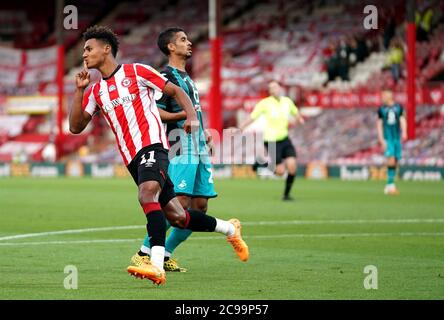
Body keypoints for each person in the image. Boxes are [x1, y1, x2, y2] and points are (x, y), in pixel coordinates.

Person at [69, 25, 249, 286]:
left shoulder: (137, 71)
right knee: (178, 216)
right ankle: (230, 229)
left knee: (146, 195)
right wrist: (79, 91)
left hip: (154, 147)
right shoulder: (96, 91)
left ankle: (154, 265)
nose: (84, 54)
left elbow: (175, 91)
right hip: (132, 159)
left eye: (89, 48)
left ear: (106, 49)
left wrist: (191, 117)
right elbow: (75, 127)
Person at [130, 27, 217, 273]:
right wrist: (183, 115)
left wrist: (204, 130)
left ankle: (166, 253)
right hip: (179, 144)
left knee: (199, 206)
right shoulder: (165, 76)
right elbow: (155, 110)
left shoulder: (187, 77)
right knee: (178, 201)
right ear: (170, 47)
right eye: (182, 40)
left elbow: (195, 112)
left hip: (197, 144)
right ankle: (144, 253)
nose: (189, 43)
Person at [237, 80, 304, 201]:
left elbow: (296, 112)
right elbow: (253, 117)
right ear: (269, 91)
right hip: (271, 141)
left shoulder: (287, 102)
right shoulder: (265, 103)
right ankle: (260, 163)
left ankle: (286, 195)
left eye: (276, 87)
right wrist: (242, 126)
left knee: (292, 167)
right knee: (280, 172)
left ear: (280, 88)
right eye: (271, 88)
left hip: (285, 139)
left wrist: (299, 119)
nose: (274, 90)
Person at [377, 89, 407, 195]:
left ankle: (389, 184)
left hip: (396, 138)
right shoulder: (381, 109)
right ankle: (390, 185)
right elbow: (379, 124)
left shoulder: (398, 107)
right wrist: (381, 139)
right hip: (387, 138)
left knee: (396, 160)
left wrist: (404, 132)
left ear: (388, 96)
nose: (382, 98)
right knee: (391, 159)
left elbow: (402, 119)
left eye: (383, 96)